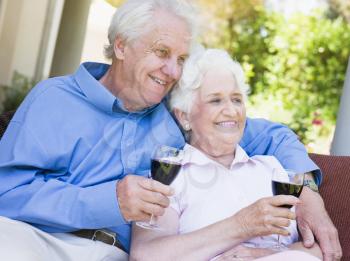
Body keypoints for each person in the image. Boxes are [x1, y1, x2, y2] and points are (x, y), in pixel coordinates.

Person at [0, 0, 341, 260]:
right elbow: (6, 191)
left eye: (181, 58)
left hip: (111, 253)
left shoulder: (177, 114)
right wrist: (109, 201)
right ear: (121, 46)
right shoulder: (55, 99)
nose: (173, 71)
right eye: (162, 53)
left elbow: (274, 136)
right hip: (39, 238)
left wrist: (309, 196)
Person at [130, 48, 323, 261]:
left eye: (237, 99)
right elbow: (144, 256)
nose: (232, 111)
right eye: (216, 100)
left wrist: (260, 254)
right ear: (185, 116)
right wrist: (241, 225)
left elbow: (317, 251)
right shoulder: (169, 177)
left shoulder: (272, 169)